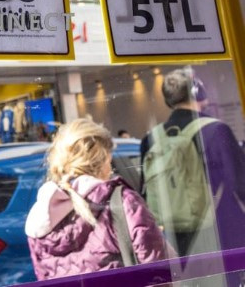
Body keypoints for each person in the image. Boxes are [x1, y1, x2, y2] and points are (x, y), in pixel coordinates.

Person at [26, 118, 170, 280]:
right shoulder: (122, 201)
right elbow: (158, 271)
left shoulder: (40, 216)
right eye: (110, 159)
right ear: (103, 158)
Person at [141, 68, 245, 257]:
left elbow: (145, 189)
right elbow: (239, 182)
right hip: (221, 230)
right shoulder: (216, 130)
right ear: (197, 92)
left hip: (176, 236)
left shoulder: (151, 138)